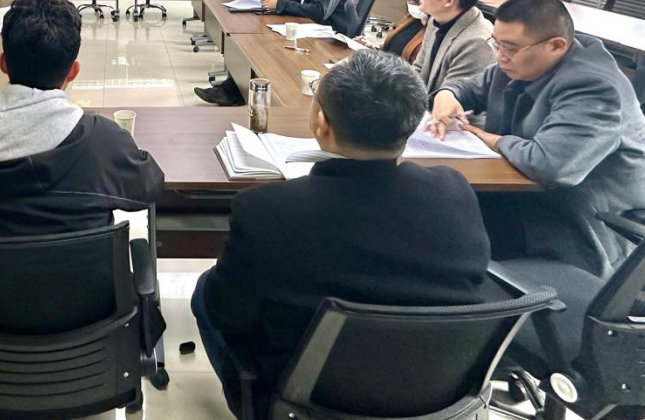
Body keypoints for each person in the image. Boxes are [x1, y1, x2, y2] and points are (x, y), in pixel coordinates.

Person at [193, 51, 491, 417]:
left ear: (321, 123)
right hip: (433, 395)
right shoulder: (454, 191)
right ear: (410, 125)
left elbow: (226, 314)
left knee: (205, 291)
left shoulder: (265, 210)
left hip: (305, 402)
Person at [430, 0, 645, 277]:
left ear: (556, 46)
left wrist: (492, 139)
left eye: (510, 48)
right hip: (528, 201)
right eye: (496, 44)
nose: (500, 56)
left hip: (581, 226)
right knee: (437, 207)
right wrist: (446, 94)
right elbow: (470, 88)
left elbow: (549, 165)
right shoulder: (520, 64)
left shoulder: (595, 88)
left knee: (447, 232)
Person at [0, 0, 164, 236]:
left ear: (3, 64)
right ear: (73, 71)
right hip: (81, 263)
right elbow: (148, 186)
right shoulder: (103, 141)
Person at [195, 0, 357, 107]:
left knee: (274, 54)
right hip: (312, 31)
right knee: (264, 48)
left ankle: (233, 92)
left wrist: (280, 4)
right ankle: (232, 90)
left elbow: (319, 12)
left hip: (333, 40)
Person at [415, 0, 494, 93]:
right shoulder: (436, 20)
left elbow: (450, 98)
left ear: (448, 0)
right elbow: (418, 69)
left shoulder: (476, 43)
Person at [374, 0, 428, 64]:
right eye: (408, 0)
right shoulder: (411, 18)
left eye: (413, 1)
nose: (410, 4)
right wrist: (373, 49)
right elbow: (393, 48)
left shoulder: (433, 32)